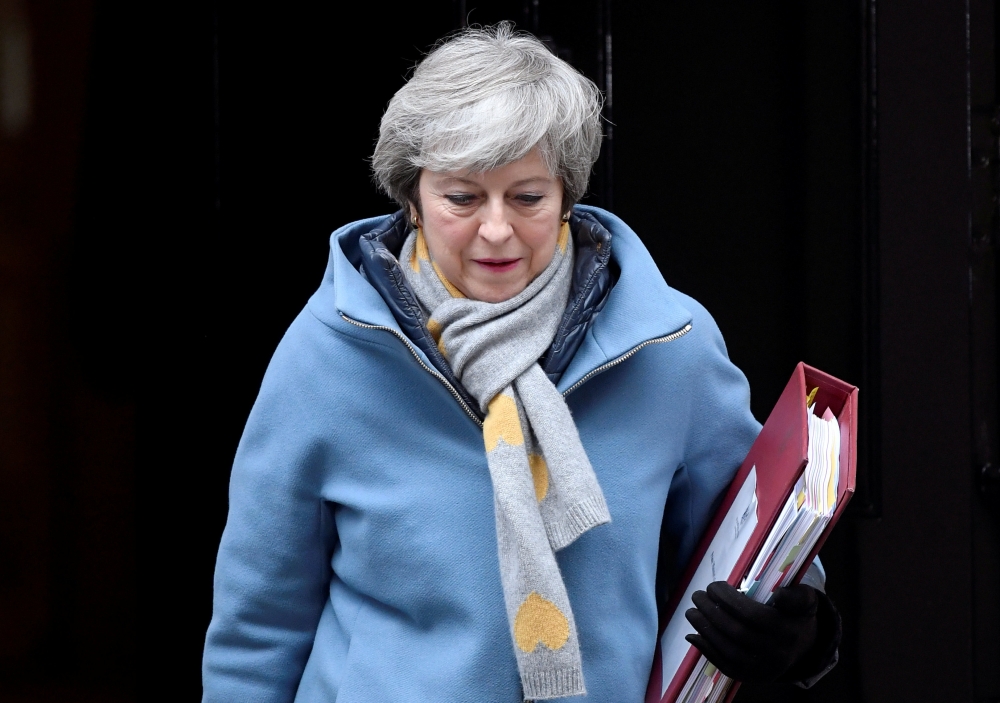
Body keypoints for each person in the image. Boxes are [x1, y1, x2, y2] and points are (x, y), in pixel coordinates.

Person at [201, 23, 841, 702]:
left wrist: (798, 633)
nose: (497, 229)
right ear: (412, 199)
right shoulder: (328, 353)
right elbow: (258, 628)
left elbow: (761, 544)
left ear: (567, 193)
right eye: (462, 197)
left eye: (528, 196)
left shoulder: (668, 345)